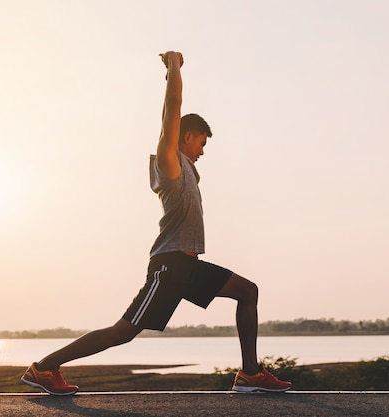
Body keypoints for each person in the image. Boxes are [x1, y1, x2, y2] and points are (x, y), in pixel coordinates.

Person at [21, 51, 292, 395]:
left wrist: (170, 75)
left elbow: (172, 115)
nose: (203, 151)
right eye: (202, 143)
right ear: (186, 136)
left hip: (189, 266)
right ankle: (42, 369)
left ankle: (250, 374)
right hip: (170, 265)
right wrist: (175, 66)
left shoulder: (188, 169)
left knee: (247, 291)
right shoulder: (169, 163)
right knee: (123, 332)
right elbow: (173, 109)